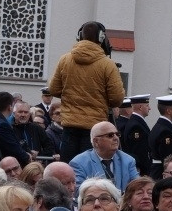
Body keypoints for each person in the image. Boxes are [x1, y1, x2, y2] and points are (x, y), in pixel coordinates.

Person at [48, 21, 125, 162]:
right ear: (101, 38)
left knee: (68, 171)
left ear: (79, 37)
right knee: (91, 174)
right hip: (95, 129)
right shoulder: (107, 65)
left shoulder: (64, 60)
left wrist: (71, 94)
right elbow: (117, 99)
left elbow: (53, 89)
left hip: (69, 127)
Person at [68, 121, 139, 191]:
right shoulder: (79, 163)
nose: (116, 138)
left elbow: (137, 187)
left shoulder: (128, 160)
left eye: (117, 134)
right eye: (110, 135)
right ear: (96, 141)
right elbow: (78, 192)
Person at [0, 91, 30, 166]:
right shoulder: (2, 125)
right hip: (4, 167)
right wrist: (27, 157)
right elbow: (12, 147)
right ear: (10, 107)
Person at [147, 95, 172, 179]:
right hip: (162, 173)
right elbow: (168, 157)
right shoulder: (165, 131)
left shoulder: (162, 126)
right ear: (168, 111)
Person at [120, 94, 153, 177]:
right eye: (147, 105)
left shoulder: (137, 122)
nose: (149, 108)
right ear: (140, 107)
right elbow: (139, 152)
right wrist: (145, 170)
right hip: (140, 170)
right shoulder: (136, 125)